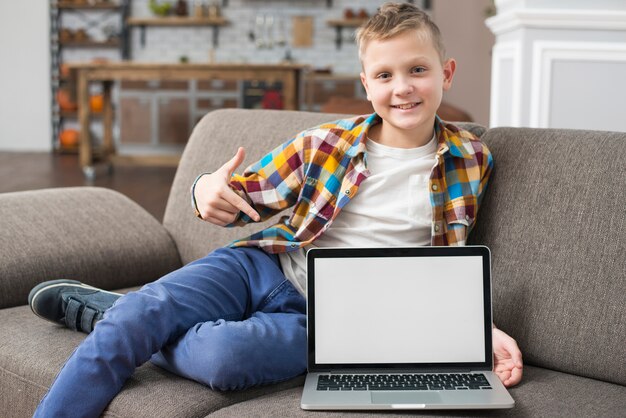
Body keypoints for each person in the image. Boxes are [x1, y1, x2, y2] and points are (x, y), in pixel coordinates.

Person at [29, 3, 523, 416]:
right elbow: (242, 194)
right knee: (148, 309)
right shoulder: (325, 144)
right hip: (261, 267)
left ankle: (119, 316)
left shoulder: (471, 159)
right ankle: (134, 319)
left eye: (418, 69)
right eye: (385, 75)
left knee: (224, 358)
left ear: (446, 73)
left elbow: (447, 270)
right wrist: (204, 189)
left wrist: (482, 329)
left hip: (332, 323)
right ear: (367, 85)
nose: (403, 87)